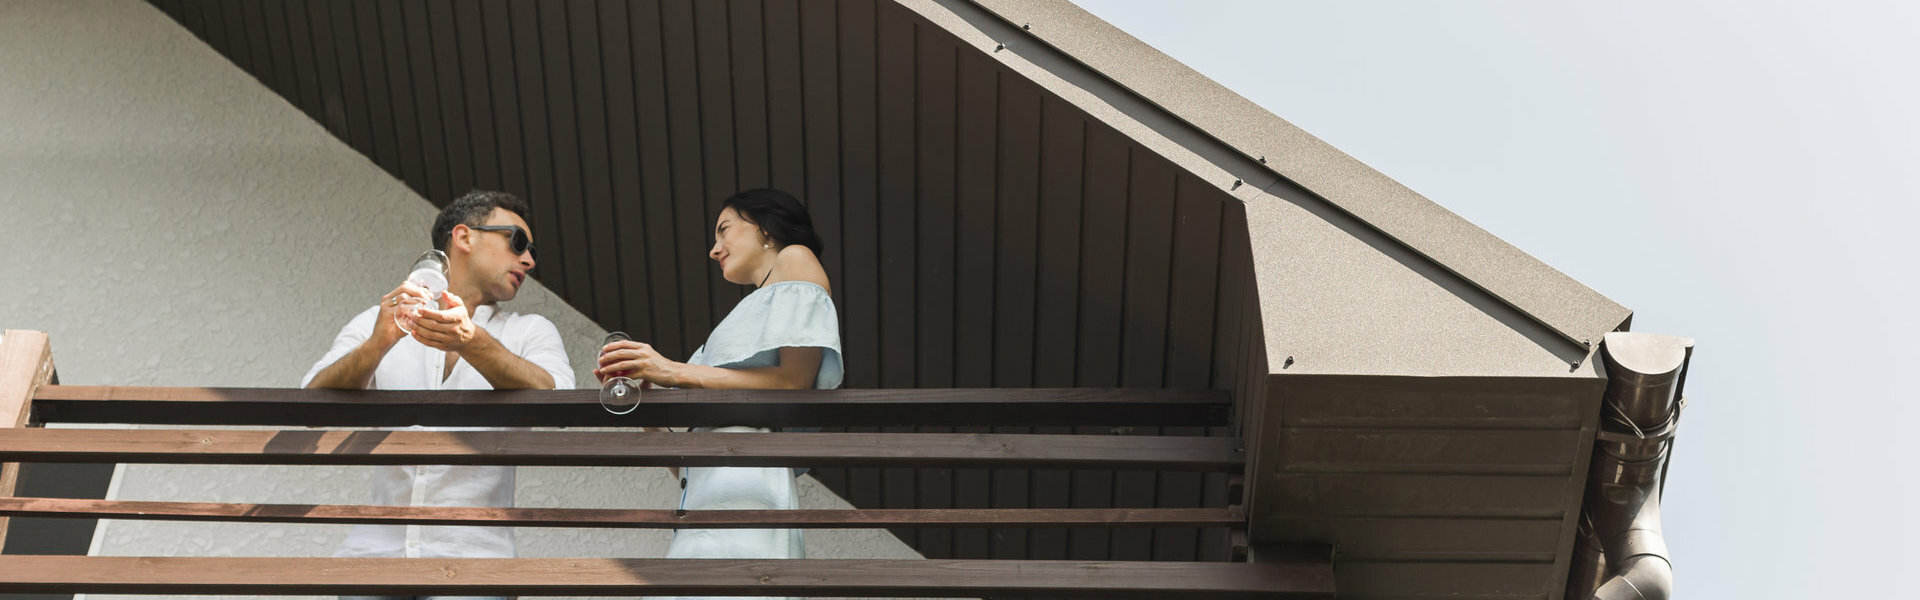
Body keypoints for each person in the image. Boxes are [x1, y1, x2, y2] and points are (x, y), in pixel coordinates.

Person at [303, 190, 573, 600]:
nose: (530, 260)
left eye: (531, 250)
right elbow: (309, 401)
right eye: (517, 242)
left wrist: (471, 341)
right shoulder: (380, 320)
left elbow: (562, 402)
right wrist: (378, 345)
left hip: (475, 565)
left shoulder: (529, 331)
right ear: (465, 237)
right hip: (374, 558)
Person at [596, 188, 842, 598]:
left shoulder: (794, 257)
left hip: (748, 486)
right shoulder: (746, 313)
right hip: (703, 500)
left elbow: (795, 383)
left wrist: (672, 368)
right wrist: (646, 412)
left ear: (765, 229)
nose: (714, 249)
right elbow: (691, 467)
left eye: (724, 230)